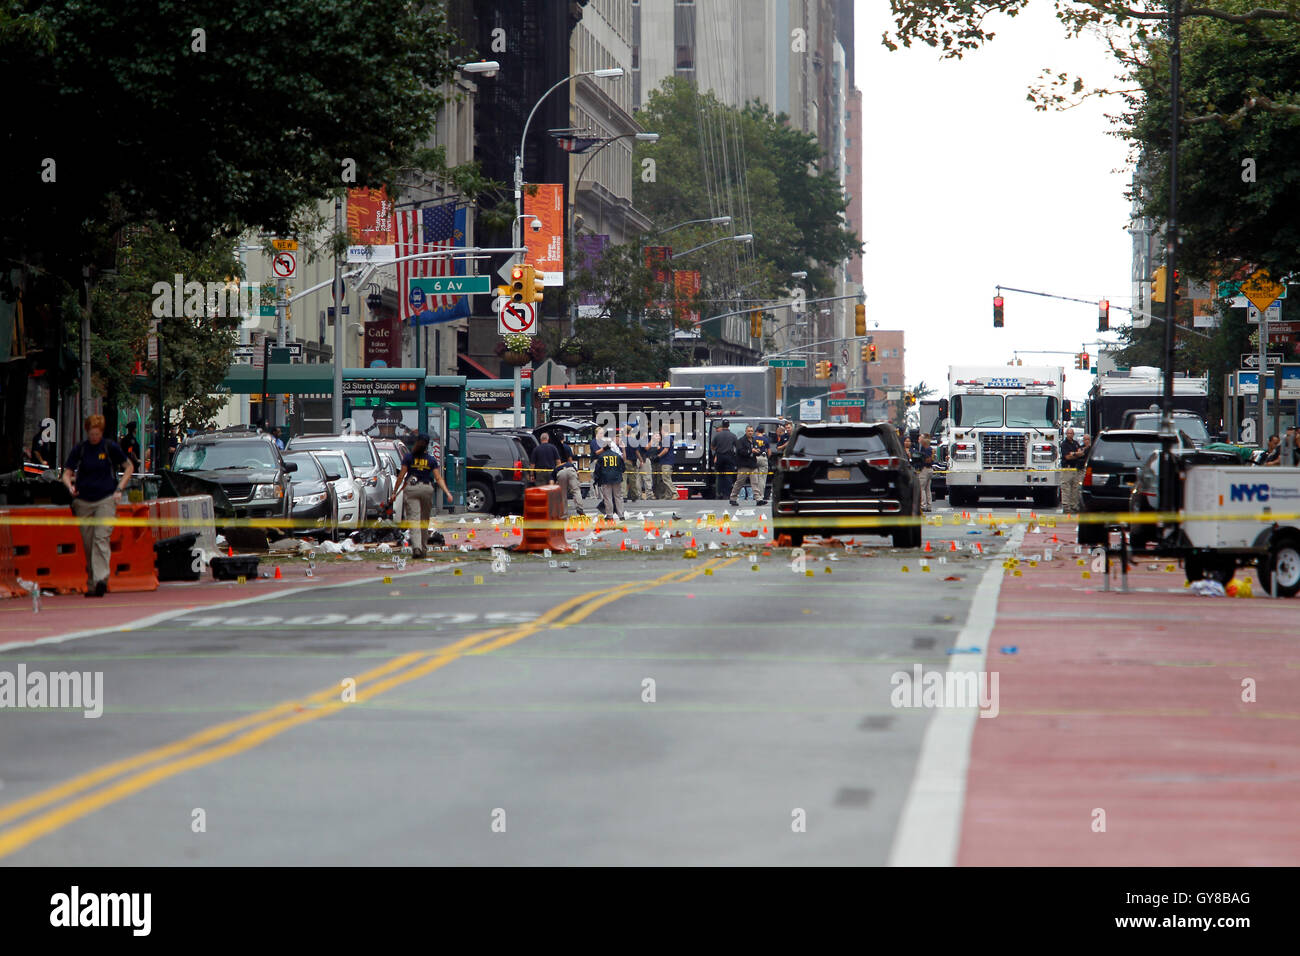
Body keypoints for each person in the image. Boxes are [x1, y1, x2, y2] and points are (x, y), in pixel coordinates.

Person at [62, 414, 133, 597]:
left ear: (101, 432)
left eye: (97, 434)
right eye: (91, 434)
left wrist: (119, 488)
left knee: (100, 538)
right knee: (88, 543)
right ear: (87, 433)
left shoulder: (110, 448)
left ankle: (101, 579)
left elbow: (129, 467)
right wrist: (69, 486)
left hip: (105, 500)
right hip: (83, 501)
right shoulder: (81, 449)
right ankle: (93, 582)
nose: (94, 437)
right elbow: (67, 473)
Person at [388, 435, 449, 558]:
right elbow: (438, 478)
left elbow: (401, 476)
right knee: (424, 521)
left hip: (411, 489)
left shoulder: (409, 457)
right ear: (427, 445)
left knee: (414, 520)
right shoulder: (431, 460)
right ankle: (424, 548)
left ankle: (417, 548)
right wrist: (447, 492)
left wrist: (394, 492)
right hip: (427, 489)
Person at [592, 440, 626, 520]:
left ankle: (610, 515)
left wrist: (596, 480)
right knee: (618, 497)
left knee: (608, 498)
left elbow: (597, 470)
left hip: (605, 479)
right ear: (611, 447)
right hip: (617, 479)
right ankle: (621, 515)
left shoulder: (601, 457)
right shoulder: (617, 456)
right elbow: (623, 468)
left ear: (603, 447)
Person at [729, 425, 760, 506]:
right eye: (749, 431)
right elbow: (740, 451)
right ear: (746, 431)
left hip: (753, 465)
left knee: (755, 483)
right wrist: (750, 451)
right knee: (739, 483)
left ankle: (758, 499)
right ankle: (733, 498)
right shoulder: (741, 441)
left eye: (751, 431)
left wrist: (758, 451)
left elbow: (758, 450)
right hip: (744, 465)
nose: (750, 432)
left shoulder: (754, 440)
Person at [1059, 427, 1086, 512]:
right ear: (1066, 434)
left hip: (1075, 469)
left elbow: (1081, 453)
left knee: (1075, 488)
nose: (1070, 435)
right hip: (1067, 469)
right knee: (1066, 488)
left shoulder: (1075, 443)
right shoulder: (1064, 444)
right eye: (1068, 433)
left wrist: (1074, 453)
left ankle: (1074, 506)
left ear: (1073, 434)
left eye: (1071, 433)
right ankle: (1066, 507)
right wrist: (1076, 454)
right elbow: (1067, 457)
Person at [710, 420, 738, 500]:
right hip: (729, 457)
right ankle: (727, 494)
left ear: (722, 426)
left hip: (719, 457)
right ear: (729, 425)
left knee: (719, 476)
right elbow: (737, 446)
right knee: (728, 476)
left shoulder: (717, 436)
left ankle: (719, 493)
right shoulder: (733, 435)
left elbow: (712, 446)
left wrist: (718, 449)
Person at [653, 426, 677, 500]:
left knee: (666, 479)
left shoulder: (667, 438)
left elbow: (666, 450)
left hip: (666, 462)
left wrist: (658, 456)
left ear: (663, 430)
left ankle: (675, 492)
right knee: (665, 479)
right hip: (666, 461)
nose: (660, 432)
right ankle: (668, 495)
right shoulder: (667, 439)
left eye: (661, 431)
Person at [622, 429, 642, 503]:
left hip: (623, 461)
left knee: (623, 479)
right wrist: (641, 460)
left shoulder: (622, 440)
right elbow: (637, 452)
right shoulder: (634, 440)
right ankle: (634, 495)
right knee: (632, 479)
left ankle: (624, 495)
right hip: (631, 462)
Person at [752, 425, 772, 505]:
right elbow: (769, 452)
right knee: (762, 478)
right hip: (763, 458)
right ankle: (760, 496)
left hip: (754, 459)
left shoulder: (753, 439)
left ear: (757, 431)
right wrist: (767, 458)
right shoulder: (765, 439)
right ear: (763, 432)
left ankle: (755, 495)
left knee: (754, 478)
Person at [916, 433, 935, 513]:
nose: (919, 440)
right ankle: (929, 506)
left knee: (922, 488)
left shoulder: (925, 449)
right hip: (930, 469)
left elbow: (927, 460)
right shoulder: (931, 449)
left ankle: (923, 505)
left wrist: (920, 459)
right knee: (928, 488)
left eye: (920, 439)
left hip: (925, 469)